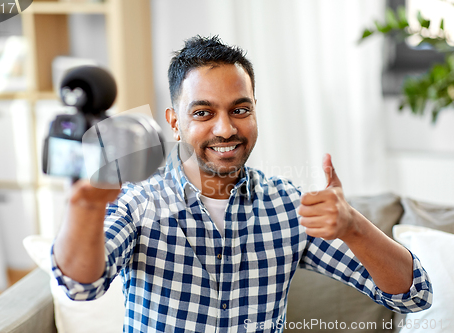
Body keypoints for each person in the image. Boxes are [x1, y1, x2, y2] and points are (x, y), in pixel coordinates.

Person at [51, 35, 432, 332]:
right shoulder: (138, 199)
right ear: (173, 121)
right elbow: (80, 285)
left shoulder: (288, 205)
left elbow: (413, 295)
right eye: (203, 112)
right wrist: (84, 205)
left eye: (240, 109)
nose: (226, 129)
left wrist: (354, 227)